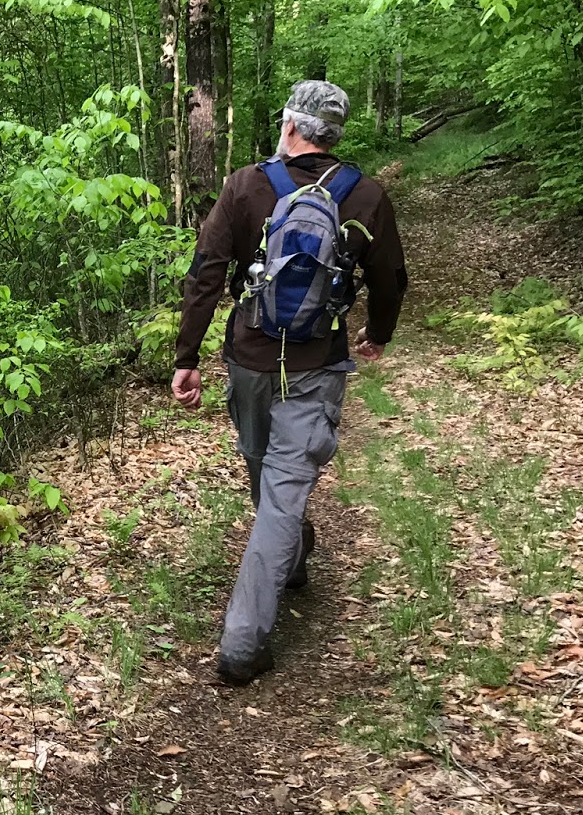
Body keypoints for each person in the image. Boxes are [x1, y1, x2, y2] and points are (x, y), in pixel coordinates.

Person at [170, 80, 408, 687]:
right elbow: (390, 279)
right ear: (335, 133)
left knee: (265, 474)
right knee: (281, 489)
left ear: (288, 126)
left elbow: (206, 272)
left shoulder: (246, 185)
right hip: (315, 362)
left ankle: (242, 642)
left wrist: (187, 355)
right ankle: (290, 547)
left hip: (249, 357)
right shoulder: (366, 194)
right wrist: (377, 332)